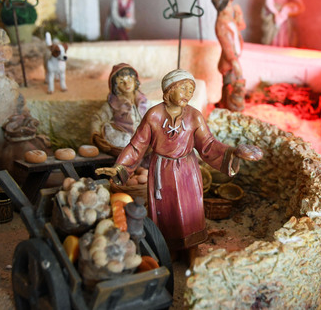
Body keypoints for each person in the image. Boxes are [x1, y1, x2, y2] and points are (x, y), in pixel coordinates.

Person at [96, 69, 263, 256]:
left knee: (190, 208)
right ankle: (168, 249)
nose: (188, 94)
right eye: (183, 88)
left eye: (191, 90)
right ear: (169, 89)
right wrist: (120, 166)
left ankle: (192, 248)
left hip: (187, 170)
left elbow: (208, 144)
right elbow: (137, 145)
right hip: (162, 171)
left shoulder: (194, 116)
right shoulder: (153, 115)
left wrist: (232, 153)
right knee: (166, 210)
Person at [90, 63, 148, 156]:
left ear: (135, 81)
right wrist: (96, 135)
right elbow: (97, 118)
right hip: (123, 139)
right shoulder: (113, 103)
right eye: (121, 81)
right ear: (115, 86)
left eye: (130, 79)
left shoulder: (142, 101)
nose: (127, 84)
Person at [212, 0, 246, 111]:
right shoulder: (221, 25)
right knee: (230, 83)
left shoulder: (229, 19)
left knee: (232, 81)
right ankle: (228, 105)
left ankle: (226, 103)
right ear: (222, 9)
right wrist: (233, 61)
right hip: (229, 60)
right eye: (229, 6)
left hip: (235, 57)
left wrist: (239, 14)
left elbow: (241, 26)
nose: (232, 8)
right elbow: (226, 46)